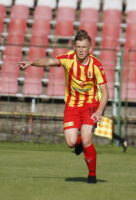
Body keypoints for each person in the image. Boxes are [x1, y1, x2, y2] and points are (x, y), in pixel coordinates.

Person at [19, 30, 109, 184]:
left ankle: (92, 174)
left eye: (84, 47)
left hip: (90, 105)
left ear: (90, 48)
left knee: (87, 137)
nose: (81, 50)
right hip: (72, 106)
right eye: (78, 47)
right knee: (71, 143)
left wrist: (100, 111)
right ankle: (79, 143)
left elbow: (105, 92)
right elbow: (48, 62)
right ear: (74, 47)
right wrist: (31, 63)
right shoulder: (69, 59)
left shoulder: (96, 65)